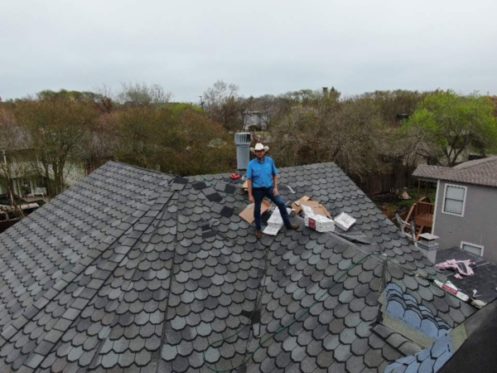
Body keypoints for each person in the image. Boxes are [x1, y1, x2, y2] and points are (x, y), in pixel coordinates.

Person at [246, 142, 298, 239]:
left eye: (261, 151)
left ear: (264, 151)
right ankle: (258, 229)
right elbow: (249, 180)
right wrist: (250, 195)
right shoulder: (251, 164)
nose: (259, 153)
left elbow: (275, 175)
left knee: (281, 203)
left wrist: (275, 188)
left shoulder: (270, 161)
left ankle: (288, 225)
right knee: (257, 209)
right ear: (255, 153)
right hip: (257, 190)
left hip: (270, 188)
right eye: (257, 151)